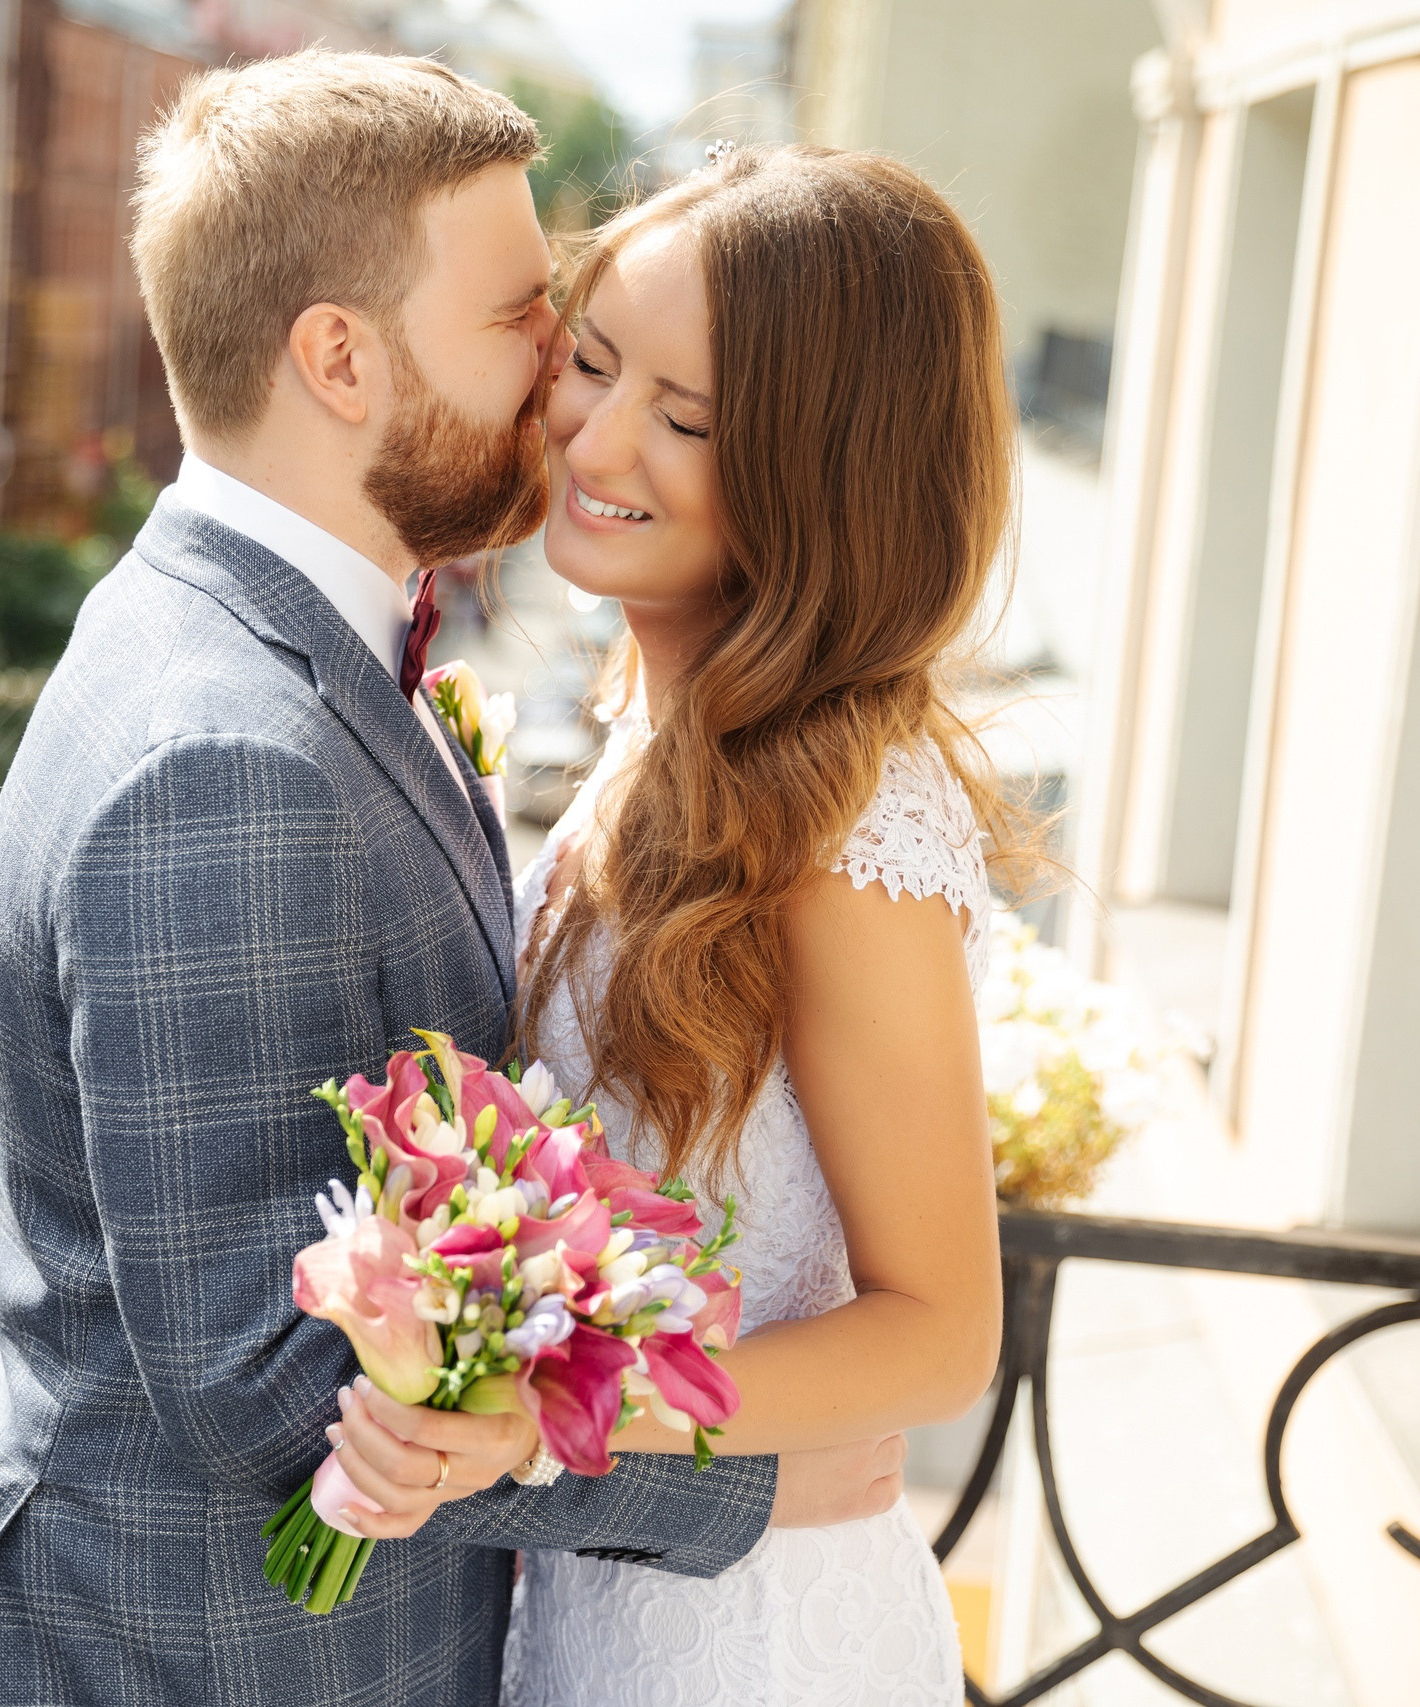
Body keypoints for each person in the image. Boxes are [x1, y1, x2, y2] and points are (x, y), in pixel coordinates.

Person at [0, 57, 906, 1707]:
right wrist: (745, 1485)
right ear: (341, 357)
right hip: (178, 1653)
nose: (558, 375)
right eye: (520, 322)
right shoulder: (227, 759)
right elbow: (271, 1383)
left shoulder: (271, 638)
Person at [476, 144, 1014, 1702]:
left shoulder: (843, 828)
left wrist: (545, 1406)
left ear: (821, 472)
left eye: (689, 417)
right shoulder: (653, 726)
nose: (599, 433)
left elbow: (938, 1334)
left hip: (754, 1641)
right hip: (601, 1590)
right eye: (591, 361)